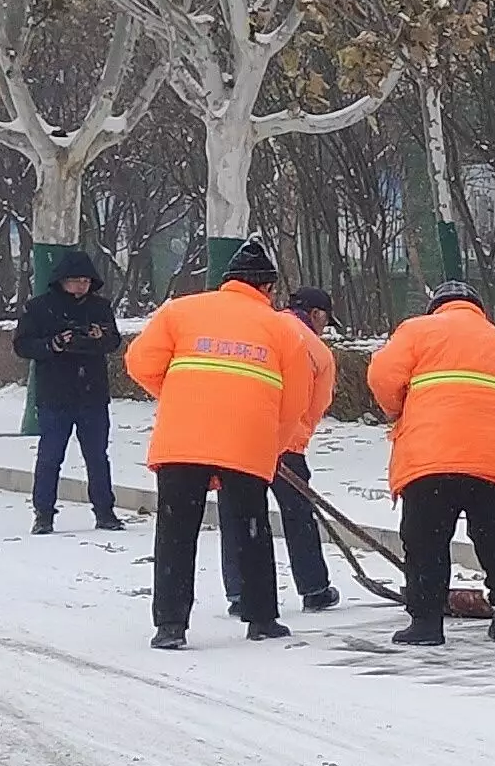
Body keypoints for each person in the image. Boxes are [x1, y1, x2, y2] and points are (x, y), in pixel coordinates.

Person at [125, 240, 334, 649]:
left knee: (175, 531)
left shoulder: (181, 311)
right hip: (246, 441)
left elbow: (139, 362)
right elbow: (295, 400)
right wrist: (271, 443)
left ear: (226, 282)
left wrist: (177, 396)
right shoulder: (281, 329)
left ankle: (170, 625)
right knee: (250, 529)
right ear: (268, 289)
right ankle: (261, 618)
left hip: (181, 440)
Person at [366, 278, 495, 645]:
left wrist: (398, 410)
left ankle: (426, 623)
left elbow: (382, 376)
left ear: (437, 307)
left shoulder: (418, 330)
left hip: (433, 457)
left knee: (425, 539)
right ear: (479, 309)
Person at [12, 246, 126, 533]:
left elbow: (114, 342)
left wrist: (100, 337)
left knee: (97, 457)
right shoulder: (39, 308)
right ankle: (44, 514)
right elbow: (22, 345)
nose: (81, 286)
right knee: (50, 457)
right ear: (62, 279)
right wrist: (53, 344)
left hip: (92, 394)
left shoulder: (100, 308)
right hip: (55, 395)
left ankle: (105, 511)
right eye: (76, 280)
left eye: (86, 281)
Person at [271, 283, 345, 616]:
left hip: (241, 439)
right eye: (326, 320)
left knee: (241, 515)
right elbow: (316, 406)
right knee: (298, 515)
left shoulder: (263, 328)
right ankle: (313, 588)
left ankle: (241, 592)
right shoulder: (315, 349)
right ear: (316, 315)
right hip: (287, 444)